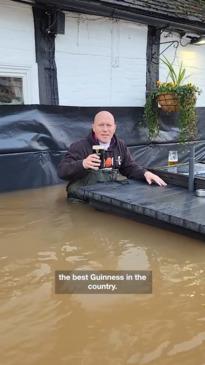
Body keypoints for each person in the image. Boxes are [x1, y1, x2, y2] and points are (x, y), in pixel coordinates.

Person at [58, 111, 167, 197]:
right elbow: (62, 171)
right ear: (94, 127)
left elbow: (129, 167)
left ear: (114, 128)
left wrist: (145, 173)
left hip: (108, 197)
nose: (105, 129)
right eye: (101, 125)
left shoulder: (120, 145)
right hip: (82, 201)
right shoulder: (80, 146)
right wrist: (83, 164)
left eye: (109, 125)